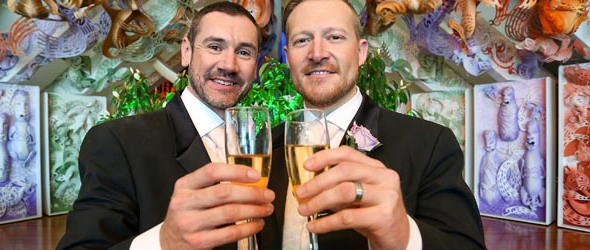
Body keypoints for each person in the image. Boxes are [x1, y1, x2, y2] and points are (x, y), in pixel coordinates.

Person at [266, 0, 487, 249]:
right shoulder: (266, 147)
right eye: (302, 40)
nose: (317, 53)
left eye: (335, 37)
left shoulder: (430, 145)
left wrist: (404, 235)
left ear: (361, 52)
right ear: (288, 57)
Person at [57, 2, 278, 249]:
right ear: (187, 51)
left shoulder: (265, 147)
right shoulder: (118, 142)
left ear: (256, 64)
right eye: (215, 47)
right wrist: (163, 241)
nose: (228, 65)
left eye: (244, 52)